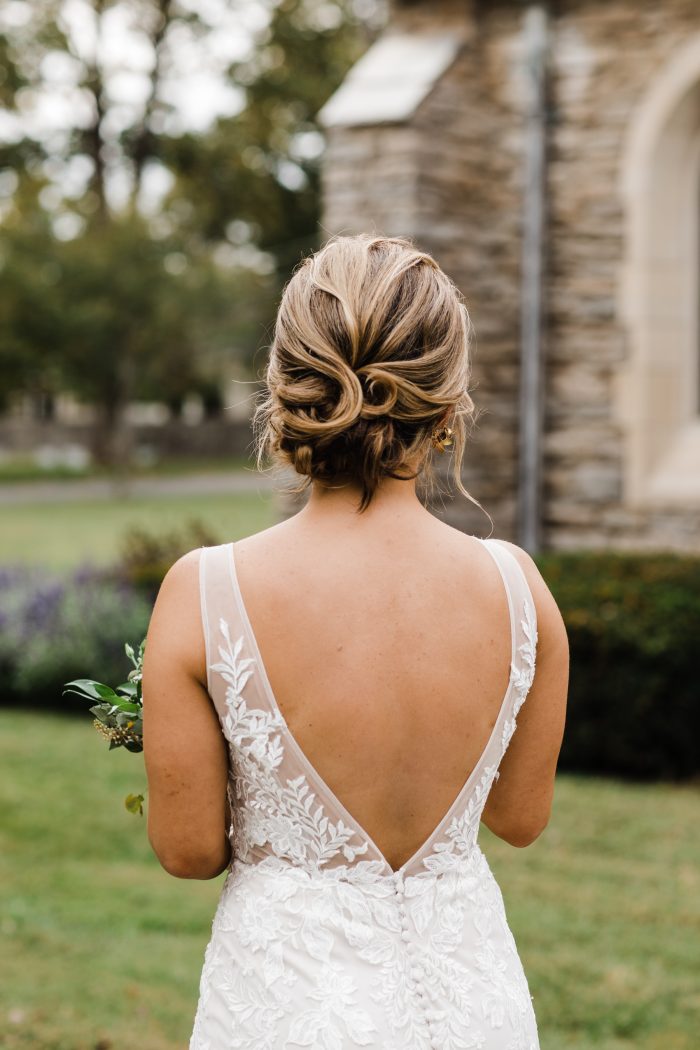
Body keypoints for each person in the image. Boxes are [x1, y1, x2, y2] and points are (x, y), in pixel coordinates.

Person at [142, 233, 569, 1050]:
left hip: (287, 1007)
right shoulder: (520, 590)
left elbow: (189, 850)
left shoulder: (206, 592)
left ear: (284, 388)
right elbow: (519, 819)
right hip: (471, 1003)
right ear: (448, 406)